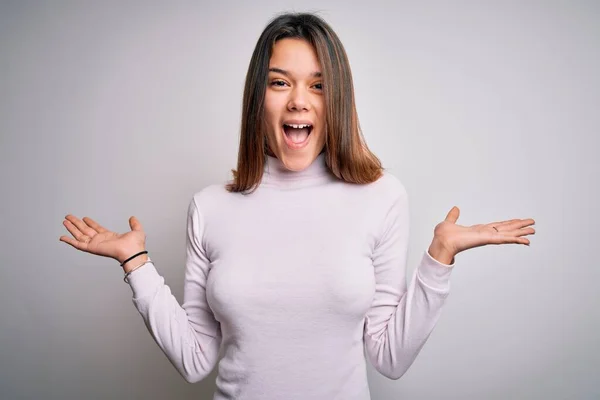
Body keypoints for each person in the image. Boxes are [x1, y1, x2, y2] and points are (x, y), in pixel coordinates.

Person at [59, 12, 535, 400]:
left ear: (337, 99)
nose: (299, 103)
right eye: (280, 83)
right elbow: (195, 360)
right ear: (257, 98)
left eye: (318, 85)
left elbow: (390, 357)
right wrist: (135, 263)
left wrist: (439, 259)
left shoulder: (382, 196)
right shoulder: (208, 208)